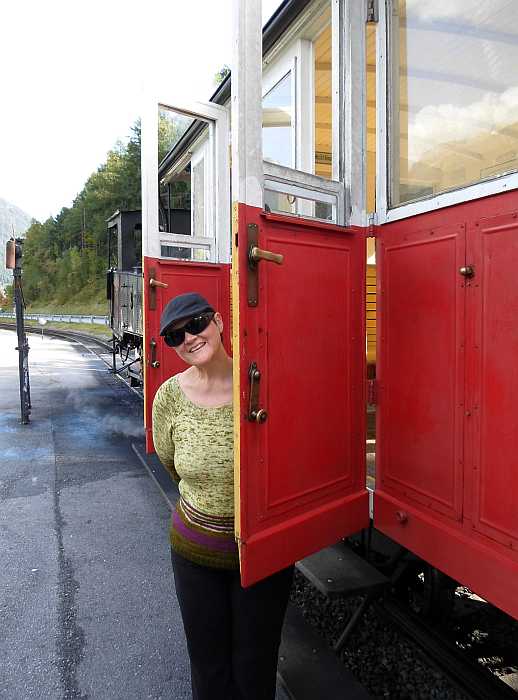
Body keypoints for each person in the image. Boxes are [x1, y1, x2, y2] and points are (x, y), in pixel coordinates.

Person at [152, 292, 293, 700]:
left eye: (196, 324)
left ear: (218, 321)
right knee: (208, 667)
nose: (189, 338)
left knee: (255, 667)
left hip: (261, 555)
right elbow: (171, 464)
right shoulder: (169, 398)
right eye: (175, 336)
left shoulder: (259, 385)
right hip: (195, 555)